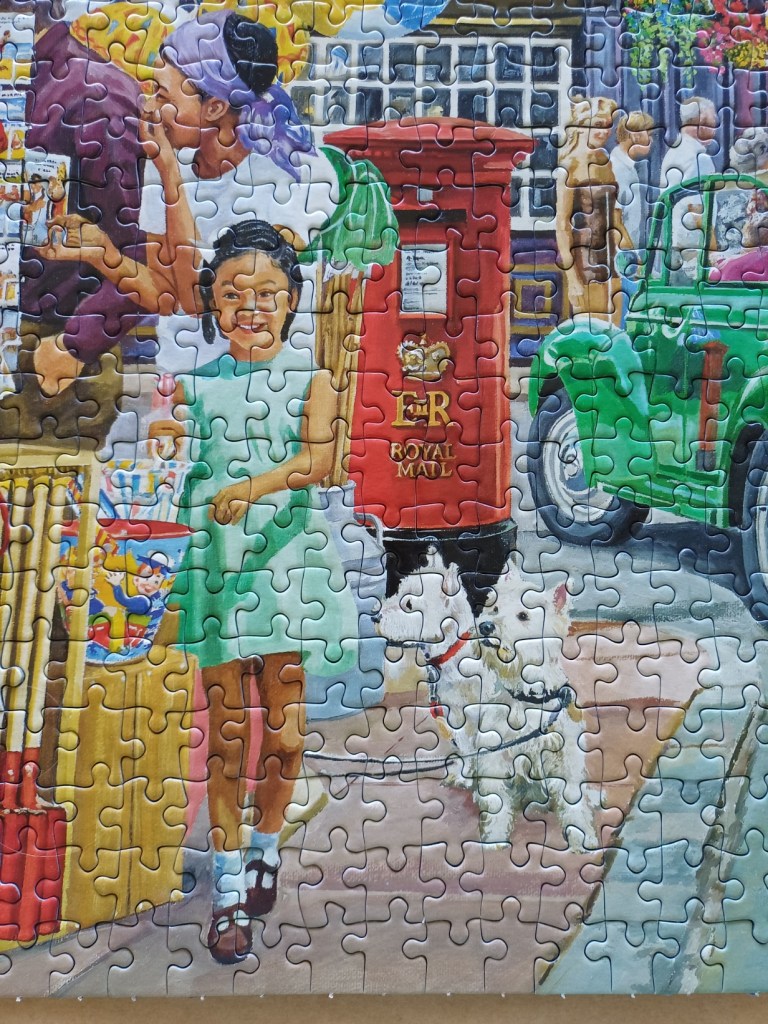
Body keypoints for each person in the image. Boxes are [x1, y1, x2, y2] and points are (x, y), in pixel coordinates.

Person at [170, 219, 356, 964]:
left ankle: (266, 846)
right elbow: (173, 465)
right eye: (232, 294)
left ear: (291, 300)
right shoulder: (194, 385)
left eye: (267, 293)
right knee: (225, 737)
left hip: (284, 566)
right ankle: (226, 893)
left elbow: (318, 462)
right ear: (212, 302)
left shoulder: (314, 379)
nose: (249, 308)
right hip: (215, 566)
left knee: (284, 735)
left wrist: (250, 489)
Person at [43, 10, 338, 375]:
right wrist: (102, 253)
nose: (149, 106)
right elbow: (167, 296)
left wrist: (170, 175)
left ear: (214, 107)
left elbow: (198, 299)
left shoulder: (298, 174)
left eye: (162, 94)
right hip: (182, 378)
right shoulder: (167, 158)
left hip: (267, 377)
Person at [555, 95, 632, 325]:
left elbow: (614, 215)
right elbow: (562, 224)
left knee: (615, 329)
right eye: (598, 125)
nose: (605, 132)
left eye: (608, 125)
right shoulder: (569, 166)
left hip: (611, 259)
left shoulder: (604, 161)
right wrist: (573, 278)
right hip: (584, 262)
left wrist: (629, 246)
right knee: (592, 331)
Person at [660, 97, 718, 190]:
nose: (715, 127)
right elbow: (700, 198)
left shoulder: (674, 151)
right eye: (714, 120)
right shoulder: (699, 159)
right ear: (701, 122)